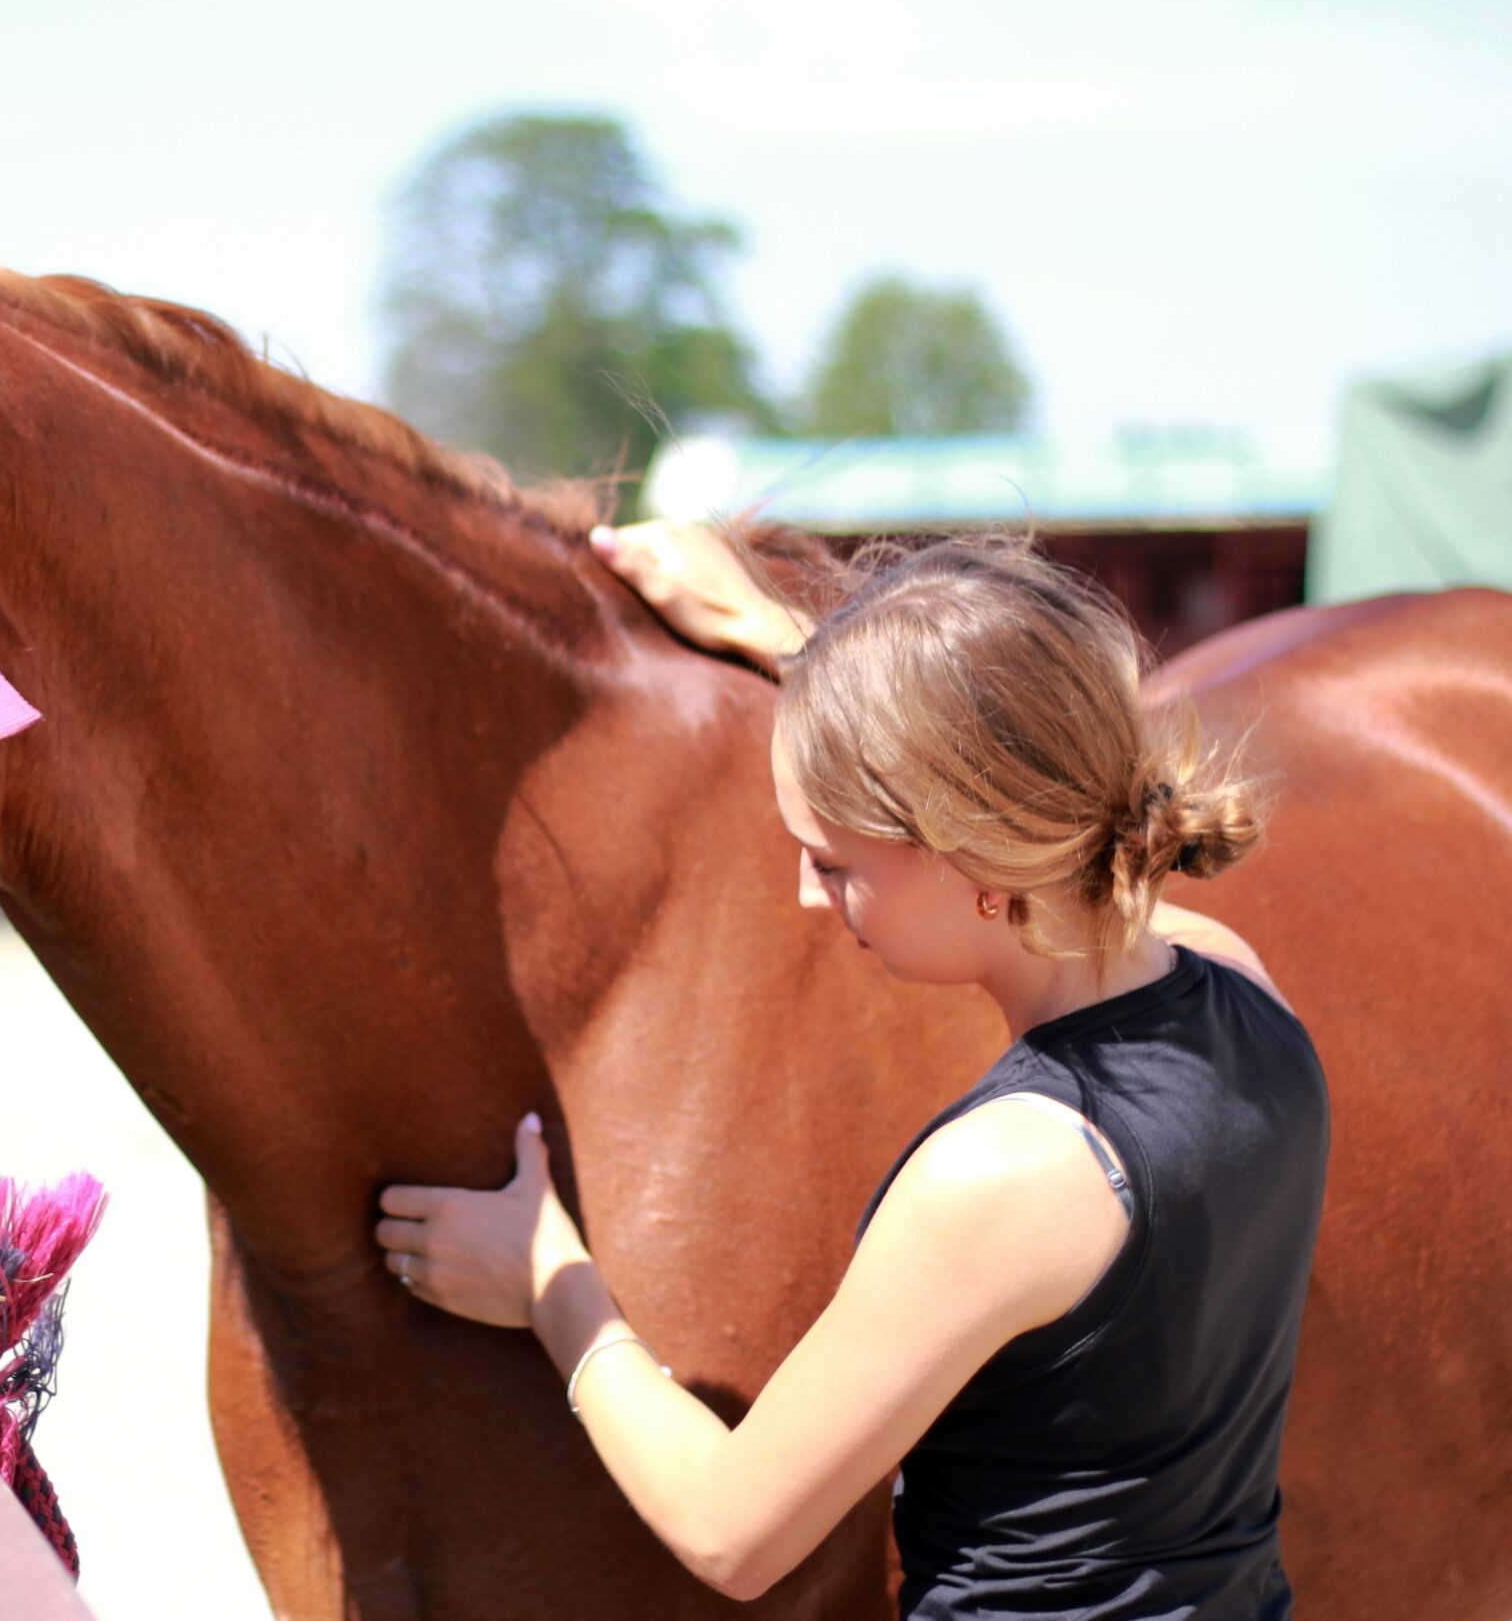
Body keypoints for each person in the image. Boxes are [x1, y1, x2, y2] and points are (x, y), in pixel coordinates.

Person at [376, 522, 1328, 1615]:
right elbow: (1036, 797)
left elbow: (727, 1531)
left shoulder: (1007, 1178)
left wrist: (555, 1289)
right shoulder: (1242, 986)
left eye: (833, 863)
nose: (805, 893)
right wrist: (790, 644)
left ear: (974, 855)